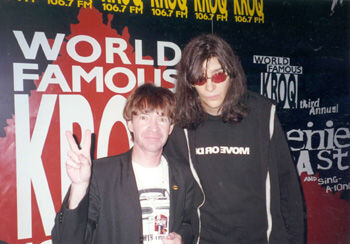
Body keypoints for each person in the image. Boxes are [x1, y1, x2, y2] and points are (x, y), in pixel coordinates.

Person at [165, 34, 305, 244]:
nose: (210, 87)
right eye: (200, 78)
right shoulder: (180, 125)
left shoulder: (262, 114)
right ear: (190, 82)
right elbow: (174, 193)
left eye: (218, 76)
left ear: (231, 74)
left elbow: (288, 185)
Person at [52, 84, 196, 244]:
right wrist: (79, 186)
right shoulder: (101, 174)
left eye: (162, 119)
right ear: (130, 124)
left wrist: (182, 238)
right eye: (144, 117)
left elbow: (189, 224)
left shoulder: (183, 175)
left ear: (170, 128)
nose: (154, 127)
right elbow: (65, 240)